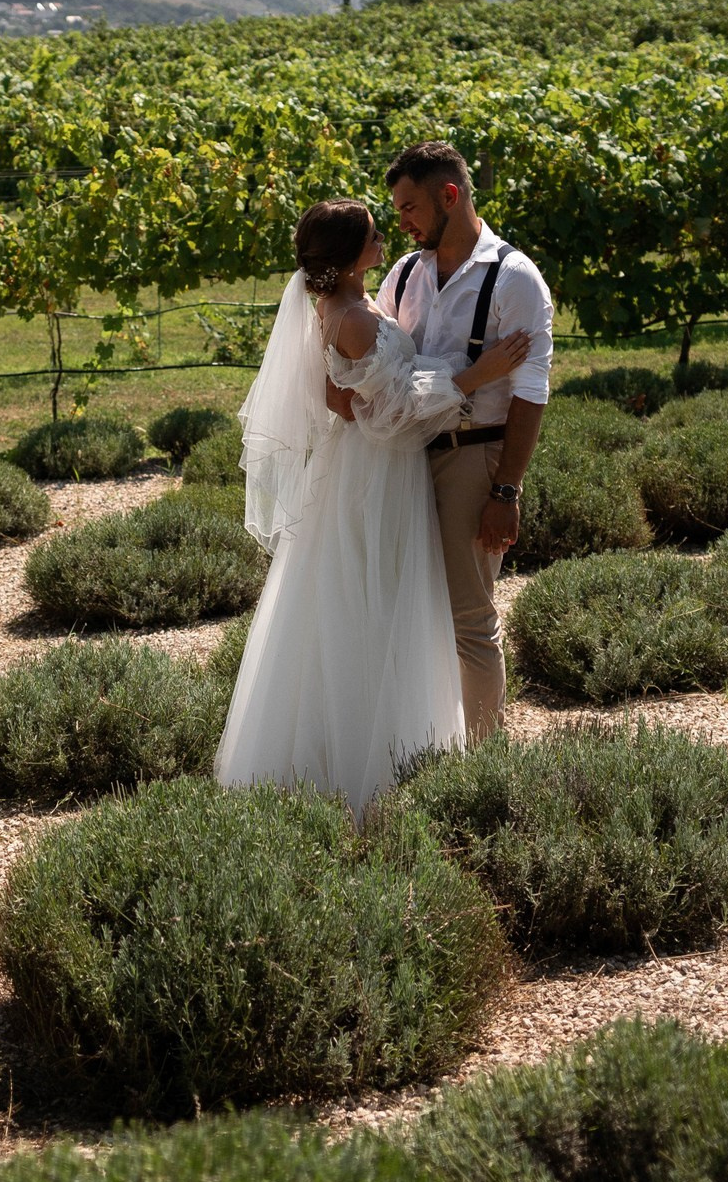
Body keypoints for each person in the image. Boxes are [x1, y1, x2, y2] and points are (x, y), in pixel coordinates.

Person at [212, 197, 533, 815]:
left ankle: (354, 759)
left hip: (358, 466)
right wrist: (477, 373)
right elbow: (383, 417)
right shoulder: (354, 317)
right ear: (351, 254)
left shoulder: (337, 308)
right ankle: (374, 774)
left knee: (355, 604)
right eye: (373, 233)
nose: (386, 237)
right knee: (378, 607)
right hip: (378, 472)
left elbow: (344, 399)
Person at [356, 140, 552, 744]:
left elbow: (531, 393)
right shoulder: (406, 273)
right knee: (407, 611)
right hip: (405, 458)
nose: (402, 221)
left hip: (475, 457)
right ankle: (425, 742)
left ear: (450, 196)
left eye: (410, 207)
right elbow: (384, 371)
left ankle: (486, 764)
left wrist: (506, 489)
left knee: (470, 619)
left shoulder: (514, 277)